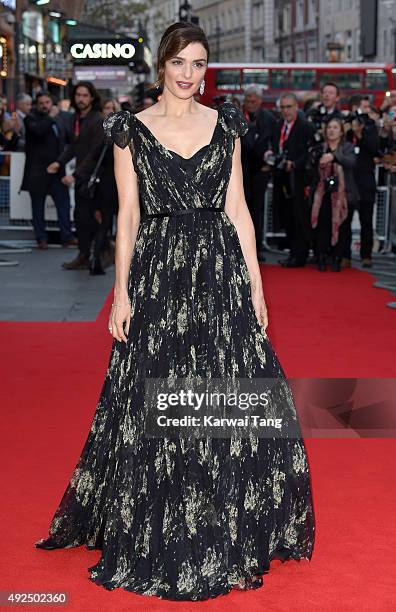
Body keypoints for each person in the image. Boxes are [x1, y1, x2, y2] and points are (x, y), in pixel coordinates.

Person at [34, 22, 315, 601]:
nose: (189, 74)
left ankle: (227, 521)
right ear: (162, 65)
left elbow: (237, 207)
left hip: (219, 274)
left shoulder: (227, 123)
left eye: (199, 64)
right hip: (160, 277)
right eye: (180, 63)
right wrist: (120, 292)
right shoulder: (130, 131)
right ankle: (166, 515)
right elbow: (129, 218)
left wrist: (258, 287)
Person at [47, 82, 104, 270]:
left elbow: (95, 153)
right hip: (83, 177)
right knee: (80, 217)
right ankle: (86, 254)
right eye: (78, 95)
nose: (81, 99)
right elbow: (73, 146)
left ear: (92, 97)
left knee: (88, 217)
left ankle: (94, 254)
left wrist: (75, 175)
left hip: (95, 178)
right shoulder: (76, 119)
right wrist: (59, 162)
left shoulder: (97, 120)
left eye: (85, 95)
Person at [20, 92, 76, 249]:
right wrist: (50, 117)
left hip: (57, 169)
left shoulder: (60, 119)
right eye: (41, 103)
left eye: (48, 102)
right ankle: (41, 238)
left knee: (63, 204)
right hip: (37, 172)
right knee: (37, 207)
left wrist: (61, 161)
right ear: (37, 105)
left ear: (52, 102)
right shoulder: (30, 118)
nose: (45, 105)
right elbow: (39, 131)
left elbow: (68, 140)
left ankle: (67, 236)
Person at [265, 92, 315, 267]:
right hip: (282, 178)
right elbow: (274, 145)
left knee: (299, 216)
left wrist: (295, 164)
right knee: (286, 215)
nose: (286, 111)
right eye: (283, 107)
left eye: (289, 107)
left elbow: (310, 152)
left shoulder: (306, 127)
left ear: (296, 107)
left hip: (299, 179)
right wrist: (271, 154)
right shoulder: (278, 125)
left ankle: (300, 254)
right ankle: (293, 252)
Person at [310, 118, 358, 272]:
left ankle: (338, 257)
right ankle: (322, 256)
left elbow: (352, 162)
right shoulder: (320, 147)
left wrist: (334, 157)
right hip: (322, 194)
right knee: (322, 226)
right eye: (329, 127)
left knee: (342, 226)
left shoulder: (348, 147)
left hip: (343, 195)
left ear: (341, 131)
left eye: (335, 127)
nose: (331, 130)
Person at [241, 85, 277, 261]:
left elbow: (274, 143)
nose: (250, 104)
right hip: (242, 171)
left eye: (253, 101)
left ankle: (256, 247)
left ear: (260, 101)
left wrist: (269, 163)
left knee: (257, 210)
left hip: (260, 171)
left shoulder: (269, 119)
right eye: (247, 101)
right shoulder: (239, 117)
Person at [343, 103, 380, 268]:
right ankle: (345, 255)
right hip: (349, 182)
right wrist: (350, 129)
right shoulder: (347, 130)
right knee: (346, 220)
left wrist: (360, 132)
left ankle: (366, 255)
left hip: (366, 182)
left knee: (366, 221)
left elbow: (374, 150)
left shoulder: (370, 130)